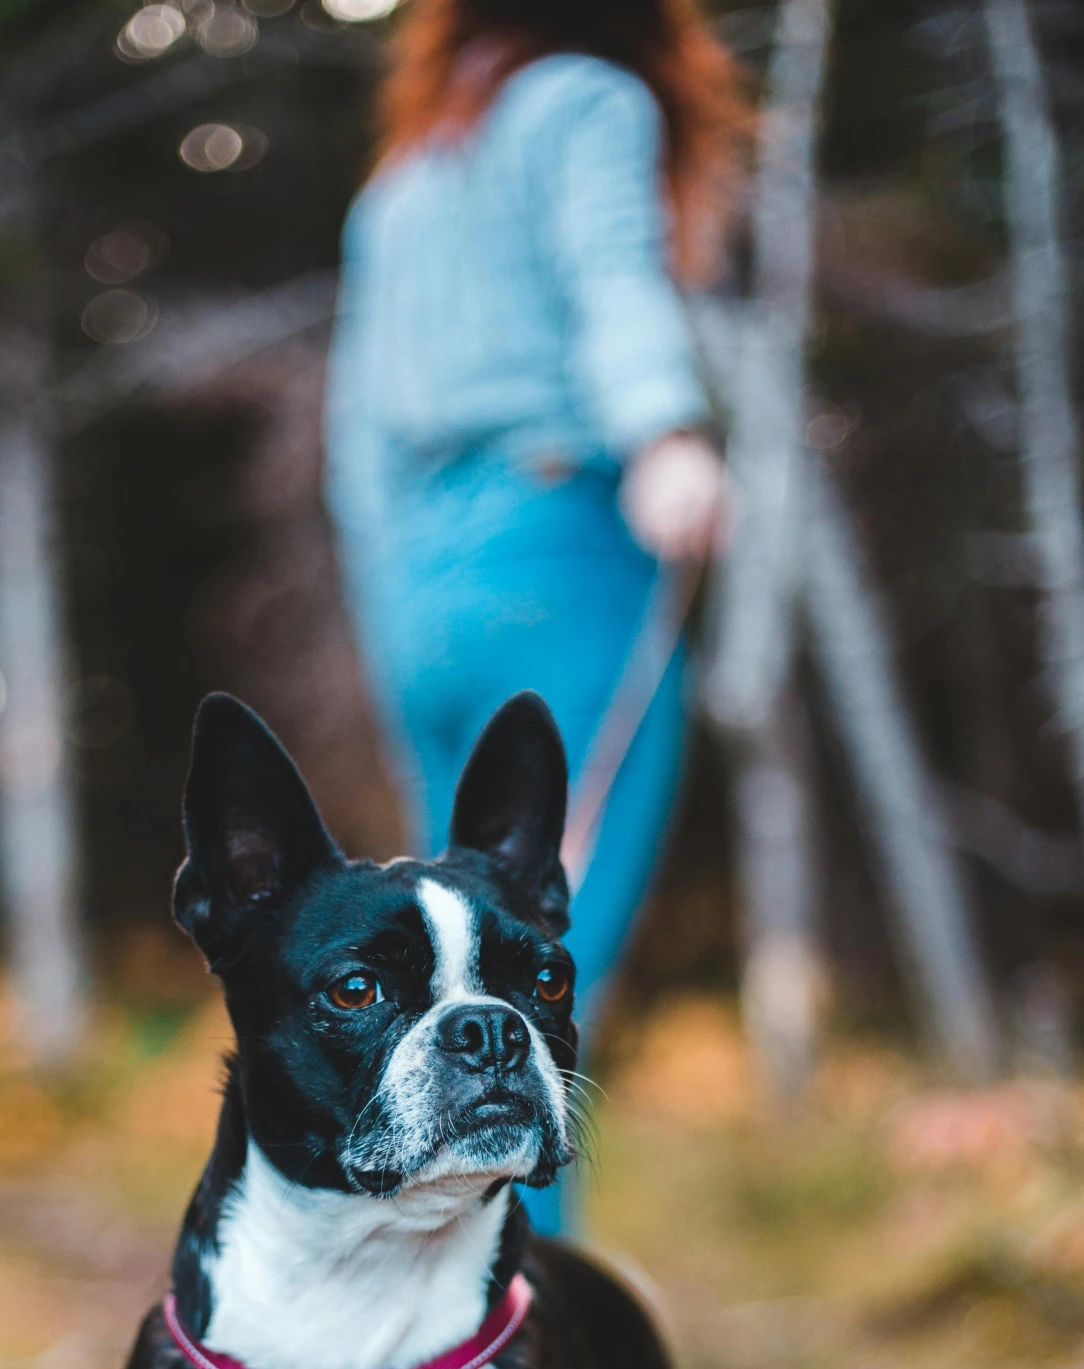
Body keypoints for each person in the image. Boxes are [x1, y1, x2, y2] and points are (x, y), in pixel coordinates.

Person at [325, 0, 746, 1231]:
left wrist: (388, 604)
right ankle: (522, 1351)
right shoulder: (585, 103)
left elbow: (352, 440)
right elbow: (610, 275)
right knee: (532, 997)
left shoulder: (403, 179)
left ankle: (436, 1342)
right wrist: (666, 431)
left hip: (421, 589)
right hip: (561, 553)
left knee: (448, 985)